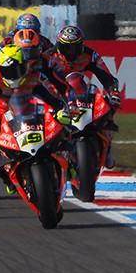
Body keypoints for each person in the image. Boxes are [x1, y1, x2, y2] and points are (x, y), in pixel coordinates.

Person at [0, 44, 71, 193]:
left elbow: (56, 99)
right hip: (0, 115)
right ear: (0, 69)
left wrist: (61, 111)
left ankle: (69, 161)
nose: (14, 74)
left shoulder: (36, 75)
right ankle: (4, 173)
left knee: (66, 125)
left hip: (31, 109)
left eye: (18, 69)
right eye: (9, 71)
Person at [43, 25, 122, 168]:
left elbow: (106, 76)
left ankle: (107, 145)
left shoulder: (90, 55)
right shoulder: (49, 56)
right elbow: (39, 79)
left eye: (76, 47)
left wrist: (113, 92)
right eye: (67, 48)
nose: (71, 52)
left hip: (80, 91)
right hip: (58, 95)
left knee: (108, 105)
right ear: (59, 46)